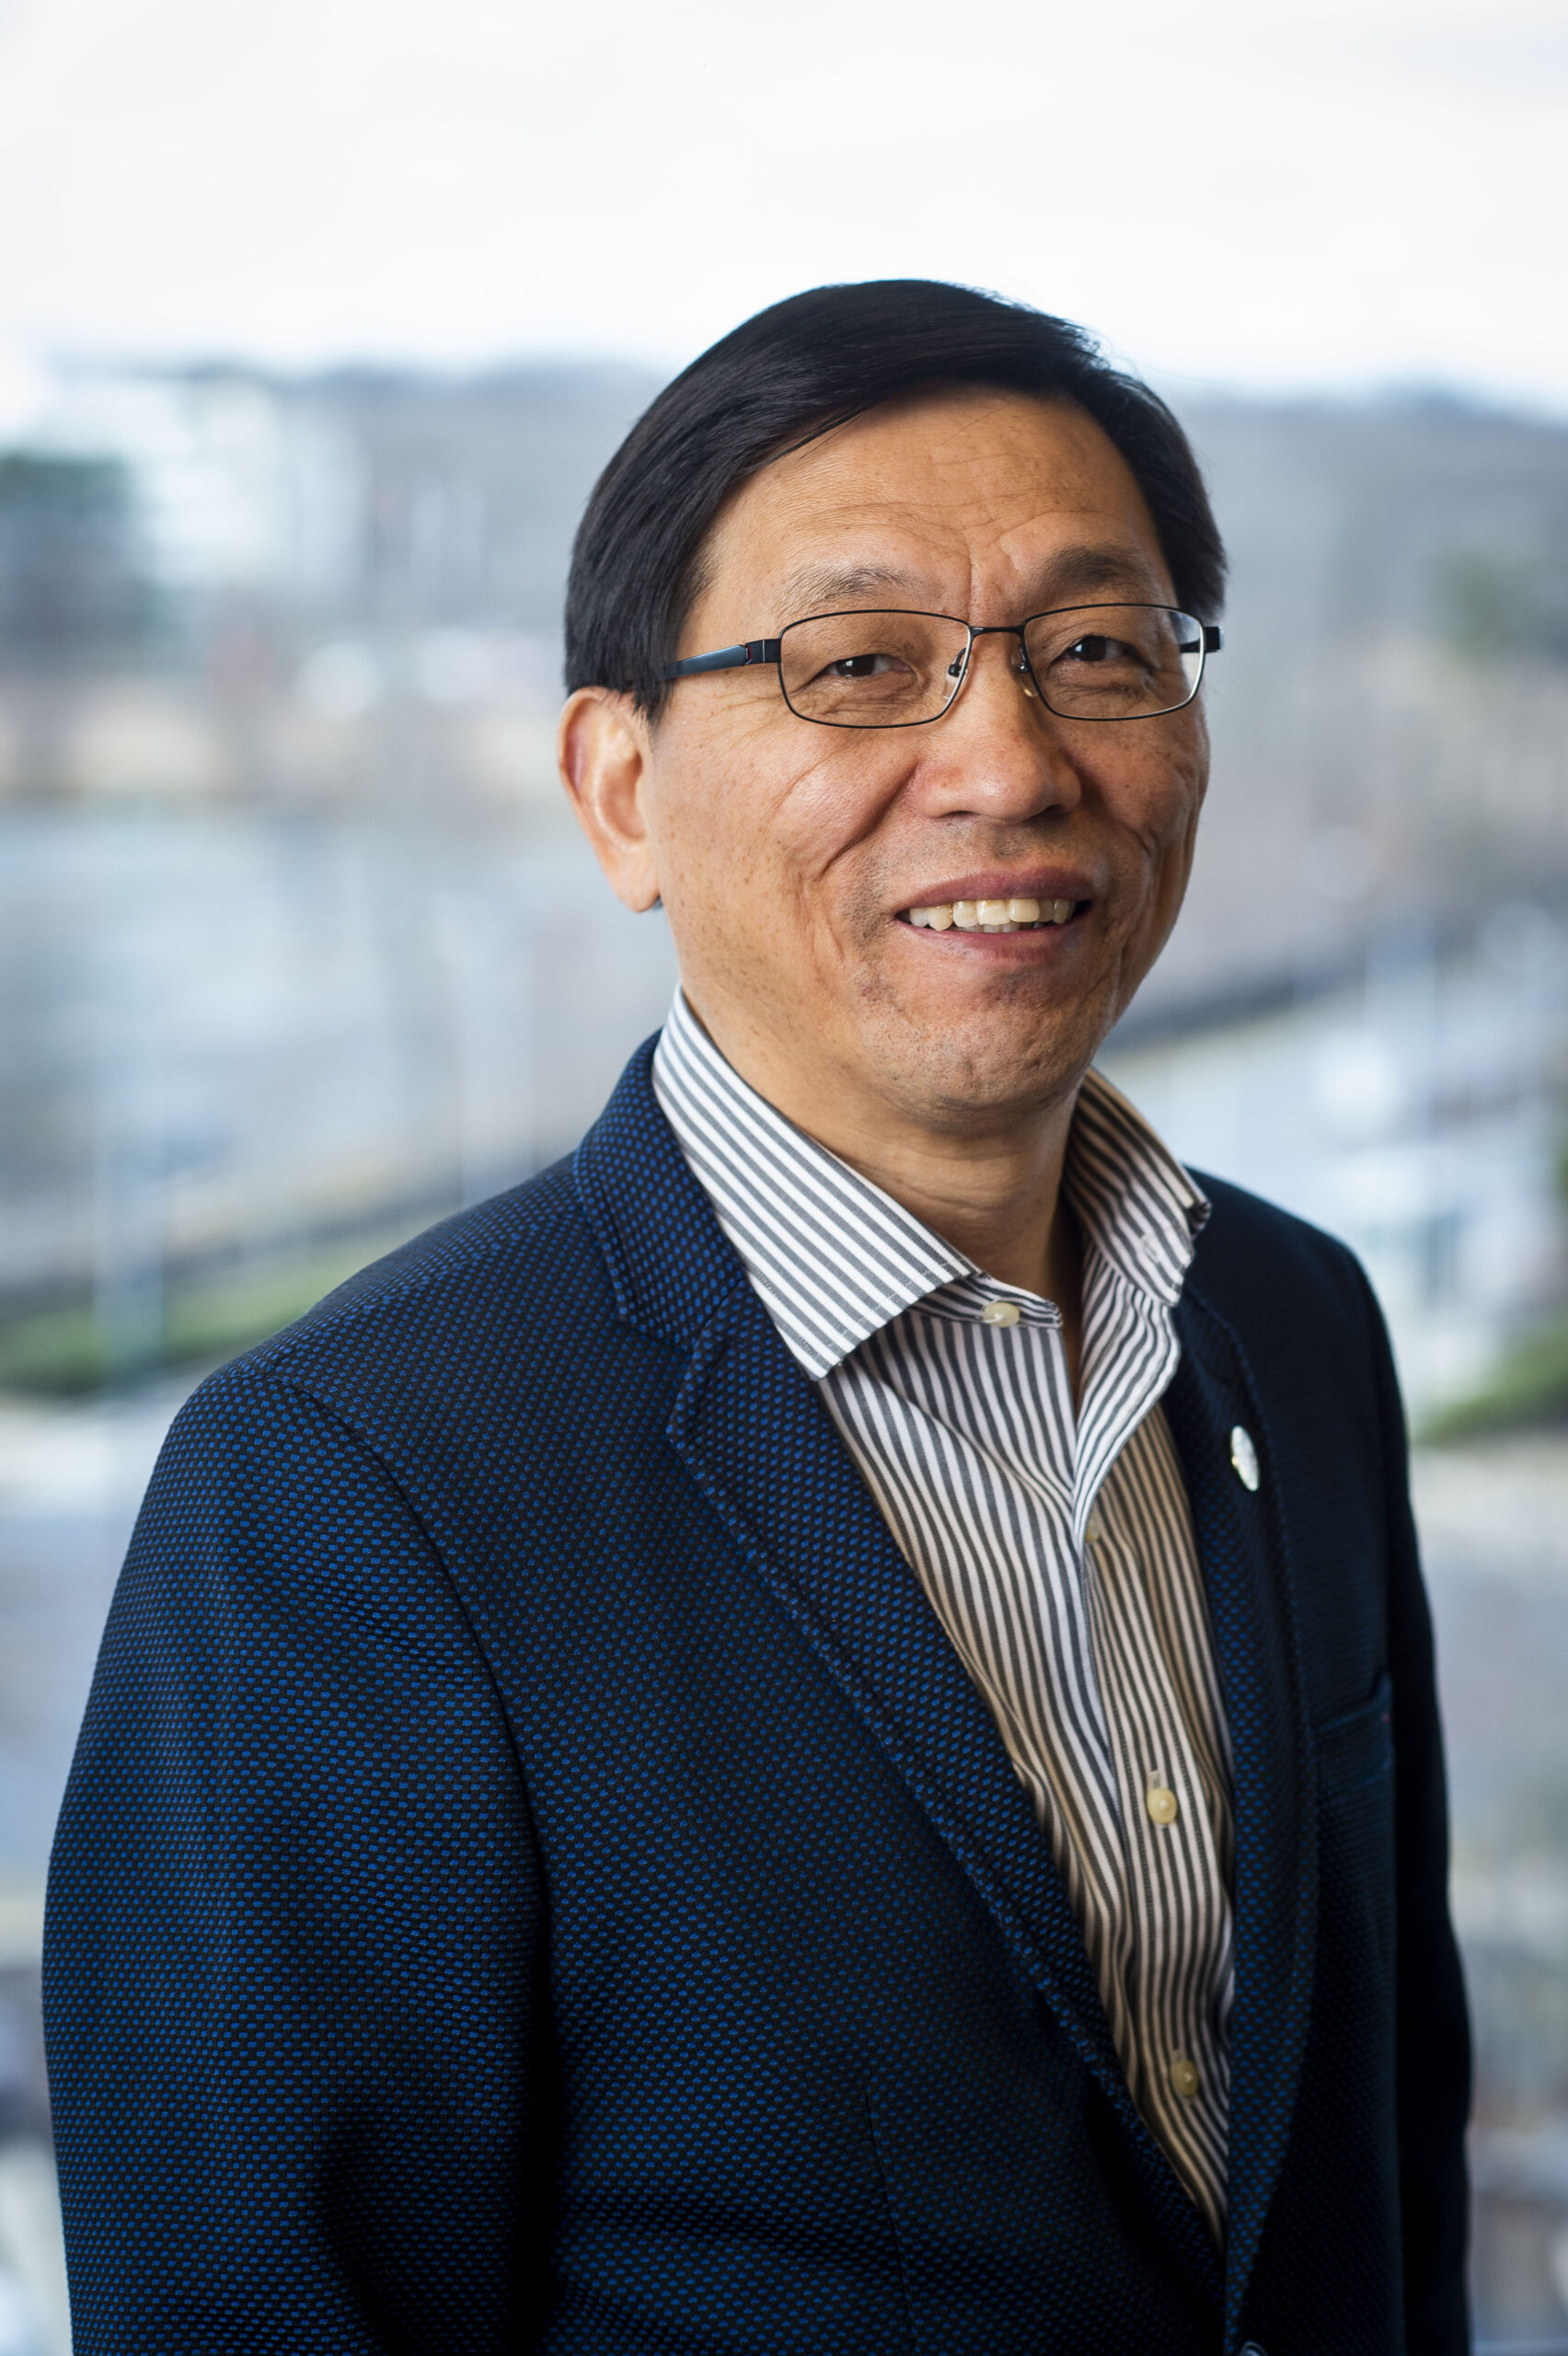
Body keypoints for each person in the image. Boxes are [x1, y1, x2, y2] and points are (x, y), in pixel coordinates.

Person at [43, 280, 1470, 2354]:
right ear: (619, 789)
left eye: (1098, 649)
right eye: (860, 665)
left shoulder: (1294, 1322)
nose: (1006, 757)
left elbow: (1385, 2150)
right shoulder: (346, 1488)